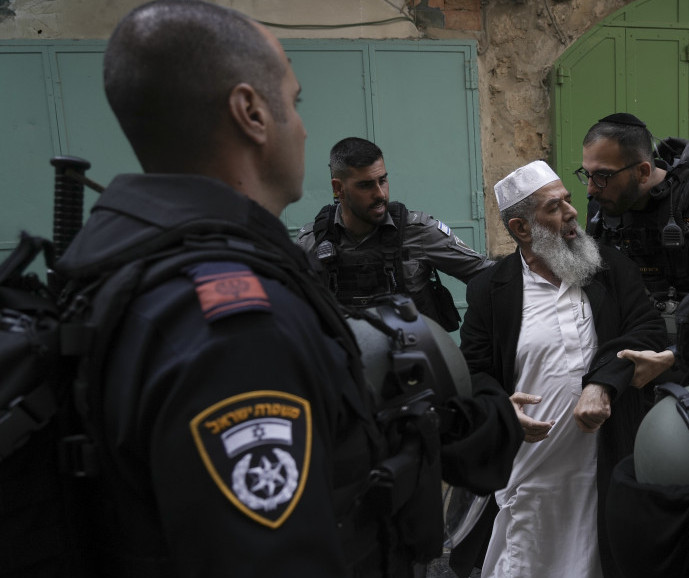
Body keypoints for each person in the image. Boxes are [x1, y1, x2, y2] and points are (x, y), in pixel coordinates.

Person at [53, 2, 520, 576]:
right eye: (294, 103)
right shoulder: (236, 320)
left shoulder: (118, 264)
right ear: (250, 112)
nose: (299, 125)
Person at [452, 161, 665, 578]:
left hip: (603, 463)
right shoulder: (491, 292)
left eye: (569, 199)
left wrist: (602, 384)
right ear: (523, 227)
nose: (572, 212)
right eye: (555, 206)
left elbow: (648, 330)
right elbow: (473, 371)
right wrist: (500, 407)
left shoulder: (609, 268)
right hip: (533, 474)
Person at [296, 137, 493, 327]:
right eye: (365, 185)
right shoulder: (311, 243)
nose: (380, 194)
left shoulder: (419, 232)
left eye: (382, 180)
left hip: (415, 355)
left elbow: (490, 278)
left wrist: (477, 342)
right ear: (338, 188)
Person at [580, 113, 689, 331]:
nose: (591, 188)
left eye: (603, 175)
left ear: (643, 171)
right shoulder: (602, 203)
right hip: (632, 335)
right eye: (588, 174)